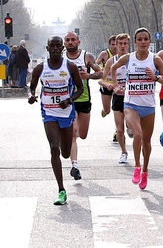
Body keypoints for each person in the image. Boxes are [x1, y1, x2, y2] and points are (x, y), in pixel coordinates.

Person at [110, 27, 163, 190]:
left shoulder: (155, 60)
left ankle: (145, 171)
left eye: (145, 39)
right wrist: (116, 86)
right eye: (139, 39)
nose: (142, 42)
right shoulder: (128, 58)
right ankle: (137, 166)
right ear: (134, 42)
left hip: (148, 106)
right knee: (138, 134)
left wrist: (155, 77)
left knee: (146, 142)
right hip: (130, 104)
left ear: (149, 42)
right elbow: (112, 69)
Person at [28, 36, 84, 205]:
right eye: (51, 45)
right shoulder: (40, 68)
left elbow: (80, 88)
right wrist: (31, 96)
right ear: (47, 48)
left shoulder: (70, 67)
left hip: (66, 112)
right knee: (54, 148)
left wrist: (69, 100)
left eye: (57, 45)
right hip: (49, 112)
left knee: (65, 153)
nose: (54, 48)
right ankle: (61, 189)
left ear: (62, 49)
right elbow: (32, 87)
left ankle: (66, 155)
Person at [63, 31, 102, 180]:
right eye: (67, 40)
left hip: (84, 100)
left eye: (73, 40)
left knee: (83, 135)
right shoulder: (61, 59)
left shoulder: (86, 56)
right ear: (64, 43)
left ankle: (71, 139)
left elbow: (101, 73)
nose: (70, 42)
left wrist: (89, 76)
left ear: (78, 42)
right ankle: (75, 165)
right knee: (73, 133)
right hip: (68, 101)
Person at [98, 33, 130, 163]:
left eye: (125, 43)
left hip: (131, 96)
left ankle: (130, 126)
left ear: (128, 44)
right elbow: (101, 80)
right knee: (120, 129)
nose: (122, 46)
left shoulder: (133, 59)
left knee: (131, 128)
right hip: (118, 95)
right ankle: (123, 152)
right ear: (115, 45)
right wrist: (109, 85)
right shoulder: (111, 61)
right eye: (120, 44)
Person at [96, 35, 117, 118]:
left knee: (119, 109)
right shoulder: (105, 54)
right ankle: (104, 110)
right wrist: (100, 70)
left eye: (116, 44)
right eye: (113, 44)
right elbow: (96, 63)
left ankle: (118, 129)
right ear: (109, 45)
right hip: (106, 83)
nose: (115, 46)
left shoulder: (122, 55)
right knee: (107, 111)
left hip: (118, 84)